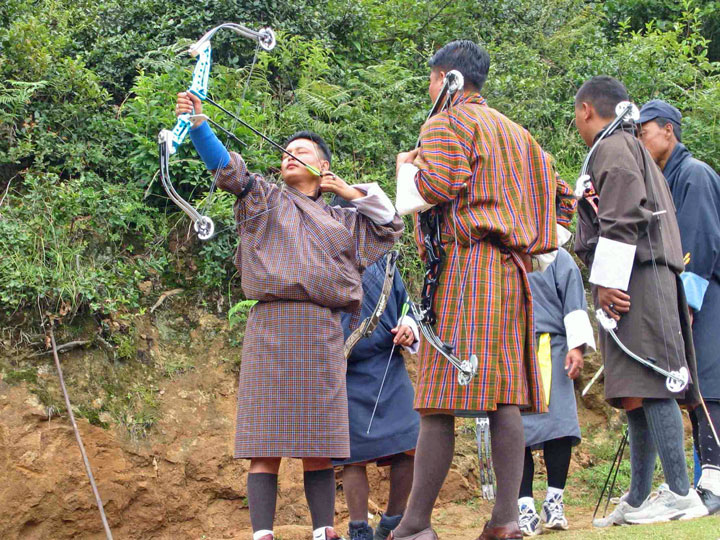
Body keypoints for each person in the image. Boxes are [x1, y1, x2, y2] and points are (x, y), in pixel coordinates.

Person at [174, 91, 404, 540]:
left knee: (318, 446)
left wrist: (349, 192)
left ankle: (323, 531)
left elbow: (391, 224)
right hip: (271, 329)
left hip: (322, 331)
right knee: (265, 444)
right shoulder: (264, 199)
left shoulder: (347, 219)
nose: (289, 156)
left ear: (323, 168)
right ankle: (262, 533)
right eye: (286, 152)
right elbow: (229, 171)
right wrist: (200, 127)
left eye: (302, 152)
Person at [393, 40, 561, 540]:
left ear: (448, 80)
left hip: (466, 268)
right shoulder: (521, 135)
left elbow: (432, 190)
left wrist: (407, 168)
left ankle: (415, 525)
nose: (430, 90)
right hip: (513, 272)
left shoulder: (446, 121)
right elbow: (563, 203)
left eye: (432, 79)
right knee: (504, 397)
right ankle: (506, 520)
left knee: (437, 400)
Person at [572, 76, 706, 526]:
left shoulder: (614, 148)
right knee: (633, 387)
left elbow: (623, 215)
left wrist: (607, 281)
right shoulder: (627, 147)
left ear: (587, 110)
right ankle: (637, 496)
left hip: (637, 277)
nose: (576, 122)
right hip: (640, 273)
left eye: (576, 114)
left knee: (654, 379)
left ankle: (682, 493)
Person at [638, 98, 720, 514]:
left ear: (668, 129)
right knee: (692, 389)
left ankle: (714, 484)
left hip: (707, 293)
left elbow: (700, 243)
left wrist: (684, 304)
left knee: (709, 386)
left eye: (644, 131)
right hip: (682, 298)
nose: (640, 139)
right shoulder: (662, 180)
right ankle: (705, 477)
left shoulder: (694, 174)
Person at [329, 239, 421, 540]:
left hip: (388, 366)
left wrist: (408, 327)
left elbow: (407, 306)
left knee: (411, 440)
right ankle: (359, 529)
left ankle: (393, 521)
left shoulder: (384, 263)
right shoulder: (324, 263)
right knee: (352, 454)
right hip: (345, 372)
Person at [517, 248, 596, 536]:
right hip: (513, 350)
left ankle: (554, 501)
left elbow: (575, 304)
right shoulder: (502, 252)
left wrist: (576, 347)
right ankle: (524, 507)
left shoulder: (559, 257)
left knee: (559, 426)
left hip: (554, 347)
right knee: (515, 430)